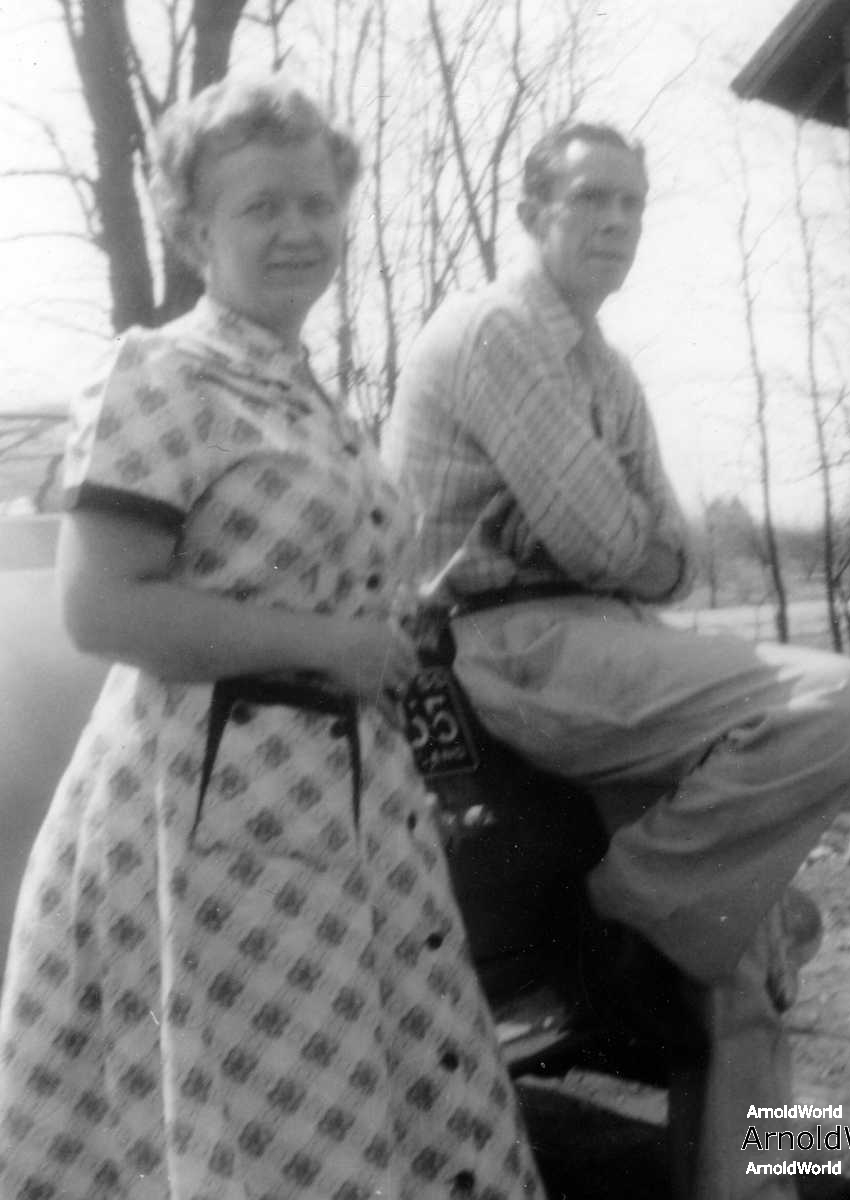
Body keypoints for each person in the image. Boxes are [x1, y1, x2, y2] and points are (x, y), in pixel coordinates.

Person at [0, 74, 546, 1200]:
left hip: (342, 802)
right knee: (270, 1130)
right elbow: (98, 607)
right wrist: (328, 645)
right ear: (194, 232)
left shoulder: (302, 390)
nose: (299, 229)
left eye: (317, 203)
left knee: (359, 1110)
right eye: (261, 207)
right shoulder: (162, 372)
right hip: (212, 808)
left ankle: (778, 1149)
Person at [382, 120, 850, 1199]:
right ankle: (634, 911)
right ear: (533, 213)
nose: (617, 222)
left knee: (744, 961)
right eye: (591, 199)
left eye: (633, 203)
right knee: (840, 697)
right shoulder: (496, 331)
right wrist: (622, 540)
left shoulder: (604, 367)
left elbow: (672, 560)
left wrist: (625, 540)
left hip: (604, 638)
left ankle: (748, 1173)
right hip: (506, 644)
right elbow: (616, 544)